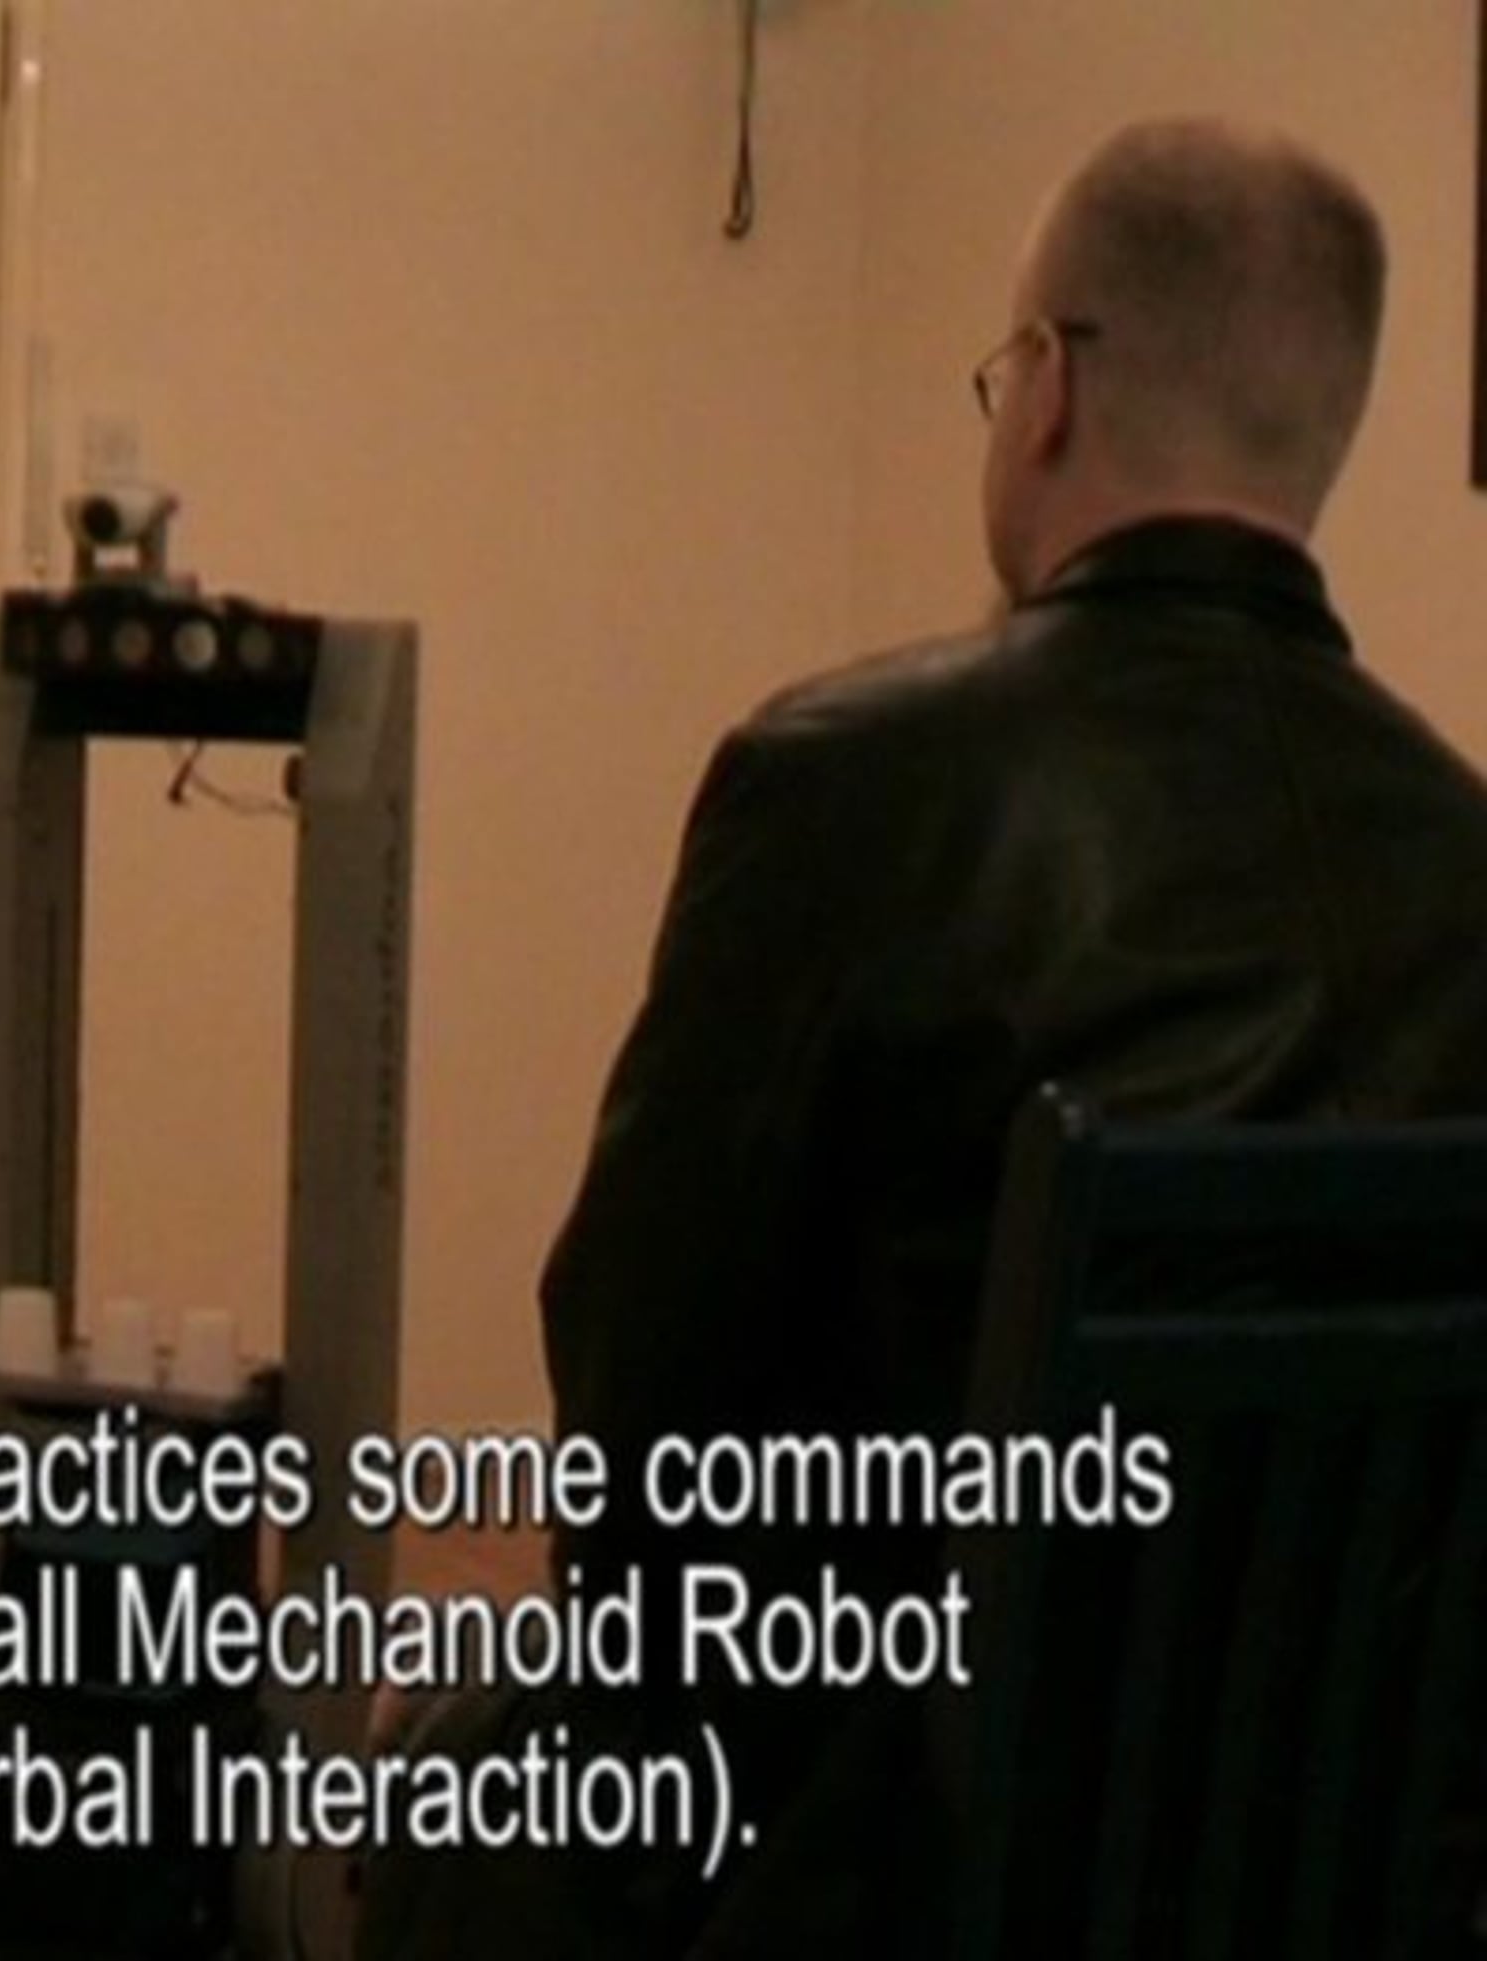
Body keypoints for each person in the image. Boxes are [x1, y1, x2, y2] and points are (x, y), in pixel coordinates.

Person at [358, 116, 1487, 1957]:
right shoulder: (1464, 864)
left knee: (434, 1781)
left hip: (886, 1884)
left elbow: (642, 1402)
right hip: (1348, 1890)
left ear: (1047, 389)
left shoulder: (844, 788)